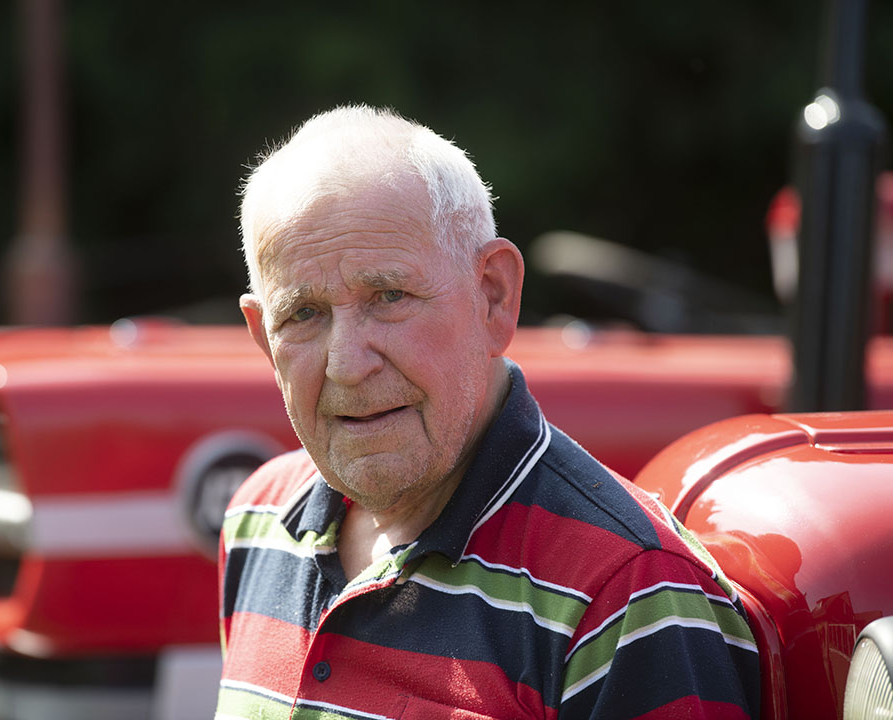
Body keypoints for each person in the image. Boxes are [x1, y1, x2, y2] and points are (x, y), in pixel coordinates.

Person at [217, 105, 760, 719]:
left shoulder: (629, 596)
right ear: (264, 338)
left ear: (493, 297)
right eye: (304, 314)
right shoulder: (258, 518)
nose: (346, 364)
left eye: (389, 296)